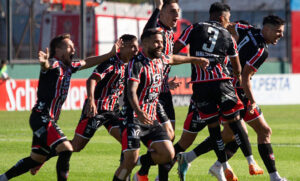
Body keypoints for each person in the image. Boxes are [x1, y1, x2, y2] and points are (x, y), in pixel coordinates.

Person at [176, 15, 287, 181]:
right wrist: (253, 101)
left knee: (255, 132)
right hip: (231, 92)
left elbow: (227, 27)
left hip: (225, 86)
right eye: (278, 32)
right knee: (232, 134)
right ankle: (197, 161)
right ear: (268, 29)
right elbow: (244, 77)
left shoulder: (245, 29)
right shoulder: (260, 51)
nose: (281, 35)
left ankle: (273, 176)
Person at [0, 33, 120, 181]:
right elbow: (47, 65)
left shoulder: (69, 67)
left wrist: (109, 54)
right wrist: (44, 63)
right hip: (42, 117)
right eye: (69, 46)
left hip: (45, 119)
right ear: (57, 50)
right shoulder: (55, 64)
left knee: (36, 159)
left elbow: (87, 62)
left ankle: (3, 177)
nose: (73, 49)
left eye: (73, 46)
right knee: (66, 149)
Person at [28, 35, 138, 178]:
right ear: (122, 47)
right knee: (76, 146)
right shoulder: (110, 63)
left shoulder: (131, 64)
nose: (136, 49)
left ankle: (124, 174)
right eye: (133, 46)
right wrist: (91, 100)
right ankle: (43, 158)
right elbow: (91, 80)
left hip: (113, 112)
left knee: (127, 140)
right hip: (95, 110)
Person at [173, 2, 260, 181]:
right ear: (221, 18)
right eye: (227, 19)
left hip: (200, 86)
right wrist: (236, 76)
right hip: (222, 84)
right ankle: (249, 161)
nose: (229, 23)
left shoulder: (193, 28)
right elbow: (236, 68)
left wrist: (193, 60)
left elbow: (173, 50)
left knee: (213, 128)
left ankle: (221, 165)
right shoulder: (227, 34)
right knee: (235, 123)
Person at [112, 28, 209, 181]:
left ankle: (137, 163)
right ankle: (131, 165)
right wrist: (138, 111)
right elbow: (131, 91)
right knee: (128, 162)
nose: (160, 45)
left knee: (168, 153)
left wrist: (195, 60)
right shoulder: (136, 63)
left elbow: (174, 59)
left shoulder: (160, 59)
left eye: (162, 42)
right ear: (144, 43)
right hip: (133, 118)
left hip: (150, 118)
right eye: (156, 42)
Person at [134, 0, 181, 180]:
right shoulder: (157, 30)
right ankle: (140, 166)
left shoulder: (169, 33)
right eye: (172, 11)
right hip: (149, 95)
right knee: (165, 138)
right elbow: (145, 33)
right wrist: (157, 8)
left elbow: (161, 62)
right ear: (161, 14)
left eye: (178, 11)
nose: (176, 15)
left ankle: (143, 170)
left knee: (170, 136)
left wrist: (165, 82)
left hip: (163, 91)